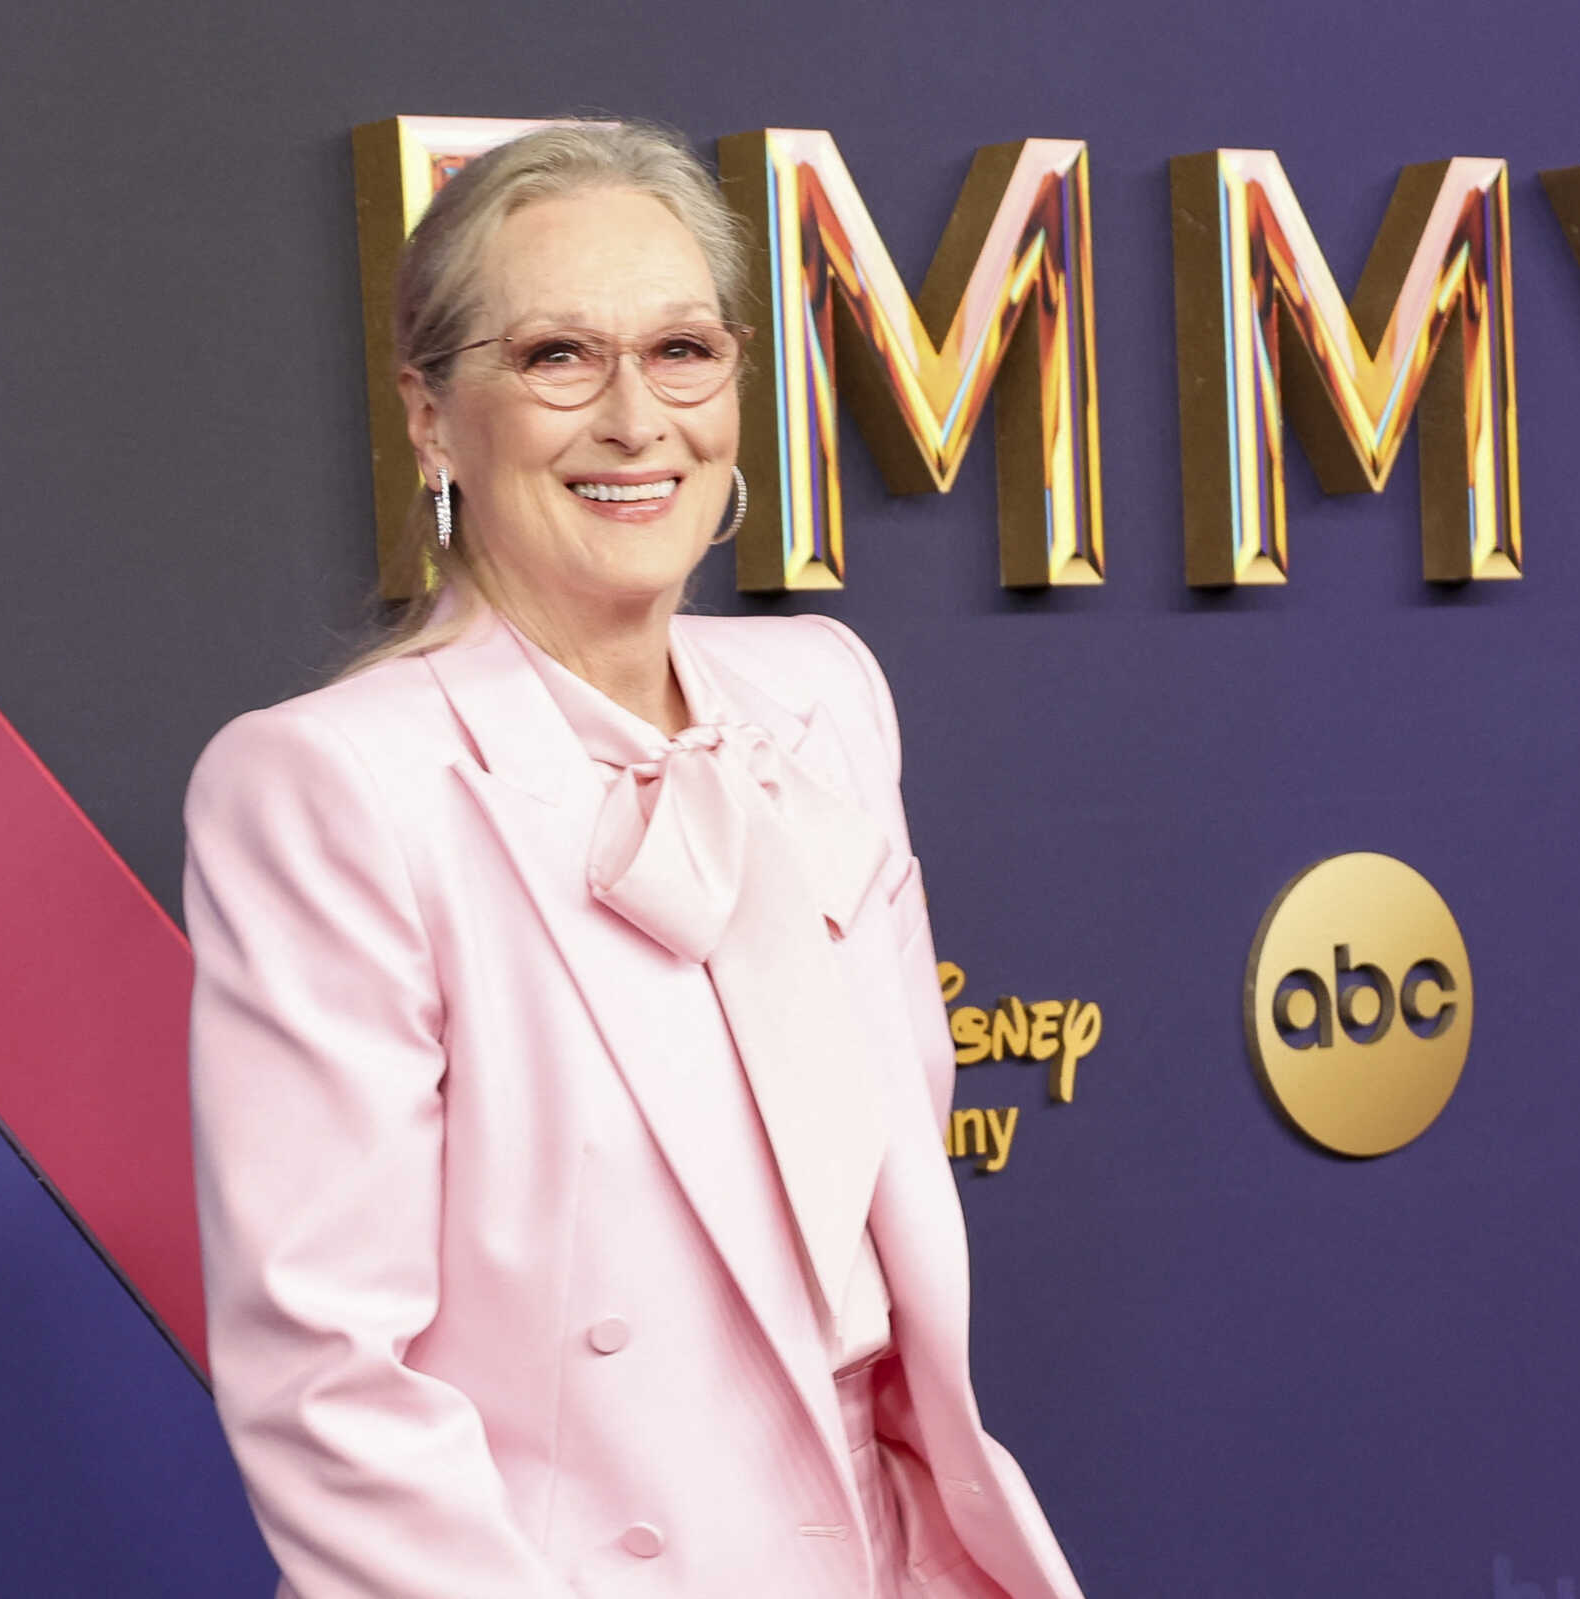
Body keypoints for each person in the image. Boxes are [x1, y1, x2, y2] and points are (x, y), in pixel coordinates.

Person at [183, 120, 1082, 1599]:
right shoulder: (330, 788)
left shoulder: (825, 700)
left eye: (683, 352)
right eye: (557, 358)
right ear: (430, 417)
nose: (636, 420)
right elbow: (328, 1383)